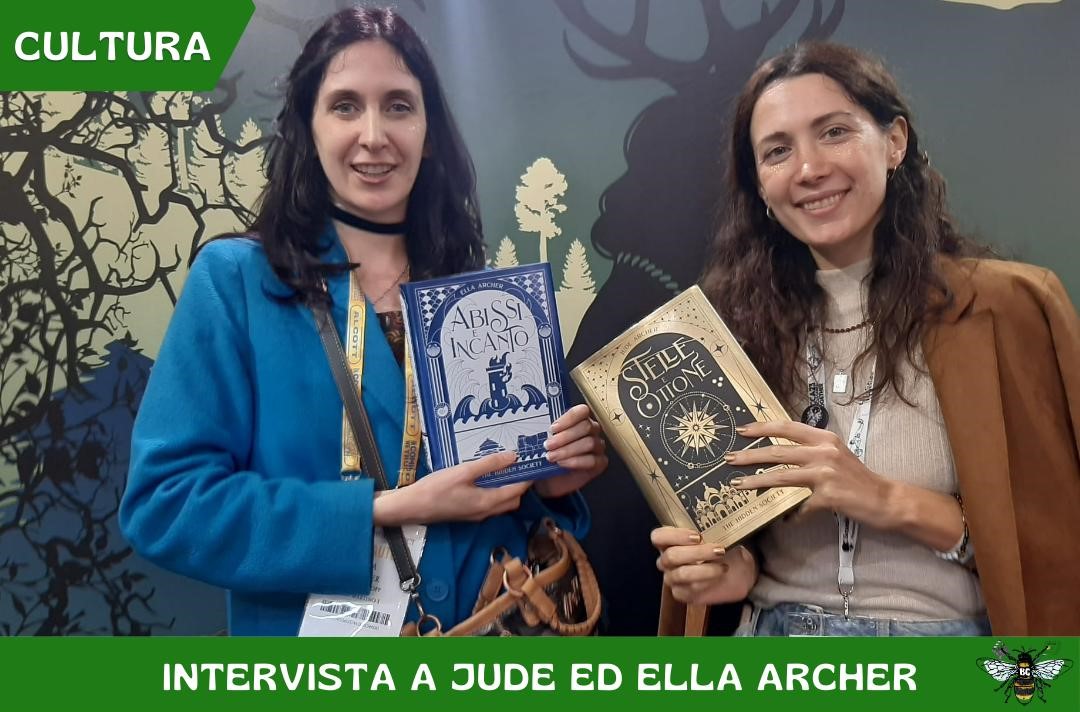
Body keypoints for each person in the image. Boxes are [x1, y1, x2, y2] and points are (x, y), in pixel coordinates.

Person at [120, 6, 607, 636]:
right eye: (345, 106)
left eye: (399, 106)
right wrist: (383, 510)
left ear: (429, 131)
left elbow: (508, 504)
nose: (374, 135)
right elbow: (167, 505)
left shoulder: (476, 297)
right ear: (308, 126)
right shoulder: (236, 281)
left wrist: (552, 482)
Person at [652, 41, 1080, 636]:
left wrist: (884, 499)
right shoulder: (725, 329)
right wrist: (732, 570)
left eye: (834, 132)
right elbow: (733, 534)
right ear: (760, 185)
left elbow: (1053, 543)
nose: (809, 169)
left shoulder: (1002, 309)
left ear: (895, 142)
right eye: (778, 151)